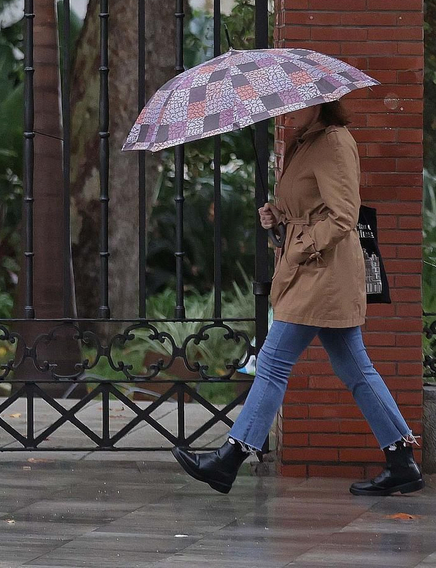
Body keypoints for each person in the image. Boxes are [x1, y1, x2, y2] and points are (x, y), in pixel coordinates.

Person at [172, 98, 422, 496]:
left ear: (319, 104)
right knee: (355, 369)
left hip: (323, 273)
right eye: (279, 107)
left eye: (292, 106)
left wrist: (302, 244)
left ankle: (229, 459)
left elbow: (345, 214)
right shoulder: (304, 142)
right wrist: (277, 218)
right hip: (310, 271)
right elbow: (307, 210)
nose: (283, 113)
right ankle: (401, 459)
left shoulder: (335, 141)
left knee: (272, 362)